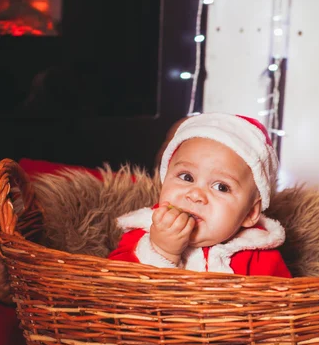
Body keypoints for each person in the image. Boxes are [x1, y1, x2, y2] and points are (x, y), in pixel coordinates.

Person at [109, 113, 291, 277]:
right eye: (187, 177)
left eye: (221, 187)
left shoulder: (259, 254)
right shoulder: (143, 234)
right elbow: (114, 288)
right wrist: (161, 250)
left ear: (251, 213)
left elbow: (280, 306)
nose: (195, 194)